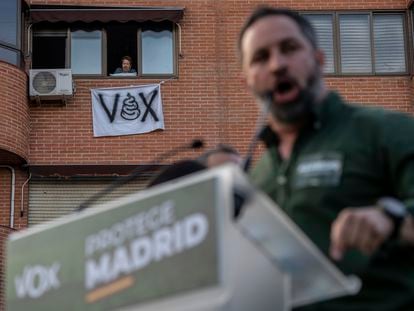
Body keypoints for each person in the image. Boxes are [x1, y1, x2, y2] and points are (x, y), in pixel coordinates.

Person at [240, 6, 414, 311]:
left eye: (290, 48)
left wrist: (392, 218)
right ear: (247, 80)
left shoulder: (386, 131)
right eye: (260, 57)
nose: (277, 64)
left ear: (318, 59)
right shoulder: (259, 175)